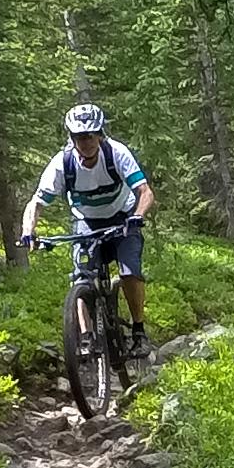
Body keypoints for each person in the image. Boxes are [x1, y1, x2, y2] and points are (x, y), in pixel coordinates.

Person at [21, 104, 155, 356]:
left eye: (91, 135)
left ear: (100, 134)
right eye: (80, 137)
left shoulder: (116, 153)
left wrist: (137, 216)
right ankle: (86, 337)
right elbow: (36, 203)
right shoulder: (63, 163)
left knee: (129, 272)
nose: (86, 142)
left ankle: (139, 331)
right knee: (81, 279)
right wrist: (29, 230)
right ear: (71, 139)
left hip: (123, 218)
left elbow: (145, 192)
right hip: (87, 223)